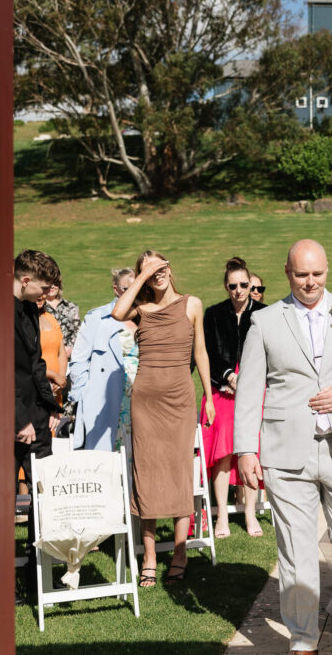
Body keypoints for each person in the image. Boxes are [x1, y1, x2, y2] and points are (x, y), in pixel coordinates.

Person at [234, 240, 332, 654]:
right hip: (286, 453)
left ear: (327, 270)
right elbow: (250, 389)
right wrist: (246, 450)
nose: (310, 282)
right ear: (287, 272)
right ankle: (303, 640)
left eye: (317, 274)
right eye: (301, 274)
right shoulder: (264, 321)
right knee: (296, 549)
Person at [112, 251, 215, 588]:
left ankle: (180, 553)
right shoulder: (140, 309)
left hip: (180, 400)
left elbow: (200, 352)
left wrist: (209, 397)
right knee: (148, 473)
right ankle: (150, 556)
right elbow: (117, 313)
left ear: (170, 269)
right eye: (149, 270)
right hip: (145, 401)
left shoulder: (192, 304)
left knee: (179, 471)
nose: (157, 273)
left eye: (160, 267)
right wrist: (142, 276)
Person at [202, 256, 266, 538]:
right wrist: (228, 376)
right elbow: (208, 354)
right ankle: (222, 515)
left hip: (255, 390)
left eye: (243, 285)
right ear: (226, 287)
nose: (239, 291)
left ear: (250, 284)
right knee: (223, 453)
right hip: (223, 391)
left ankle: (250, 512)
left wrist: (249, 381)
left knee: (251, 449)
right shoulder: (214, 314)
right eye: (233, 286)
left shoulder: (264, 313)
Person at [13, 249, 62, 601]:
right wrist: (20, 419)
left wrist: (49, 407)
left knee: (43, 497)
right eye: (43, 288)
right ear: (26, 280)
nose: (47, 295)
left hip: (38, 418)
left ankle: (38, 579)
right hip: (9, 421)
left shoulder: (32, 308)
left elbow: (36, 365)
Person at [68, 268, 136, 451]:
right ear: (116, 289)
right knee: (107, 455)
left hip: (142, 398)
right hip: (106, 397)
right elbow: (79, 359)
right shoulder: (97, 317)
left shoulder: (147, 316)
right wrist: (83, 394)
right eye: (127, 289)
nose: (133, 294)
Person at [37, 296, 67, 407]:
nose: (40, 296)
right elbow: (27, 359)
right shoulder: (24, 321)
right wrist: (53, 375)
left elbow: (62, 352)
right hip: (37, 386)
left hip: (55, 388)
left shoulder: (50, 318)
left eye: (43, 291)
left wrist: (61, 378)